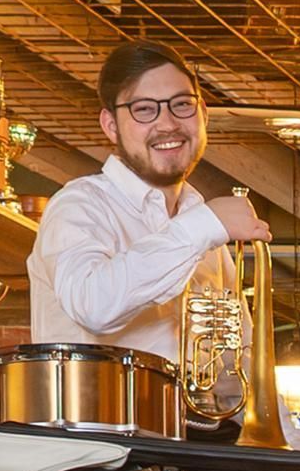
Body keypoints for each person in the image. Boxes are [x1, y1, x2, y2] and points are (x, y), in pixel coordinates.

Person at [26, 42, 274, 366]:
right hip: (96, 417)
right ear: (110, 125)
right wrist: (203, 227)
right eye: (145, 109)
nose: (168, 123)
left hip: (192, 419)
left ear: (204, 115)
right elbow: (93, 304)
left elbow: (238, 366)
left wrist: (275, 416)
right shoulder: (79, 205)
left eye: (182, 104)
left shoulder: (206, 234)